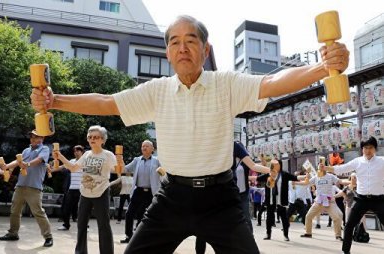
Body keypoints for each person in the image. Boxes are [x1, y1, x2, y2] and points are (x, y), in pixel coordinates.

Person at [31, 15, 349, 254]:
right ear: (167, 52)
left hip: (220, 199)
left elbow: (273, 83)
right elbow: (106, 103)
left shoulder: (226, 84)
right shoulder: (157, 91)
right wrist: (55, 100)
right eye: (174, 42)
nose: (183, 47)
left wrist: (322, 68)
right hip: (172, 198)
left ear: (204, 48)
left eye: (191, 40)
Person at [195, 141, 270, 254]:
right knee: (205, 224)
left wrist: (273, 171)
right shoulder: (208, 144)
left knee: (237, 222)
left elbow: (253, 165)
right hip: (211, 190)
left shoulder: (234, 146)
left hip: (233, 193)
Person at [54, 125, 117, 254]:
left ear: (103, 140)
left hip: (101, 192)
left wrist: (120, 162)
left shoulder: (108, 155)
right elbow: (73, 168)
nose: (92, 139)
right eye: (90, 137)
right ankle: (80, 252)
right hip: (85, 193)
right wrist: (60, 156)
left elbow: (117, 170)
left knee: (103, 225)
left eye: (96, 137)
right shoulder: (87, 154)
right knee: (81, 224)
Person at [322, 136, 384, 254]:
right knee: (349, 225)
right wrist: (326, 168)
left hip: (379, 199)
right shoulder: (357, 161)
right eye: (365, 148)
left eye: (370, 147)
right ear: (362, 149)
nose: (368, 150)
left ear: (375, 149)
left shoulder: (382, 161)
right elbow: (341, 169)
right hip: (361, 199)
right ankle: (345, 251)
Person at [0, 130, 53, 248]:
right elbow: (18, 162)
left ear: (42, 138)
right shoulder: (26, 150)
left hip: (34, 187)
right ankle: (13, 233)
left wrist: (27, 164)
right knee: (15, 211)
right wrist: (7, 166)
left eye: (36, 137)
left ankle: (48, 237)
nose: (33, 139)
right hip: (20, 185)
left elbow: (39, 160)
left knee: (38, 212)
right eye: (31, 137)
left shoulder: (44, 149)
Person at [120, 140, 161, 244]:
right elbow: (125, 169)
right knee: (129, 213)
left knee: (147, 215)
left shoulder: (157, 161)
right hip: (138, 191)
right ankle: (129, 236)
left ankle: (142, 238)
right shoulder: (137, 160)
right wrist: (120, 160)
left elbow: (163, 173)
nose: (144, 148)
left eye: (146, 146)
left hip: (151, 192)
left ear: (152, 149)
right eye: (142, 146)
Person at [252, 159, 303, 241]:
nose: (275, 166)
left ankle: (286, 235)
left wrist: (305, 176)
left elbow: (295, 177)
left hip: (281, 200)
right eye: (273, 164)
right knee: (269, 217)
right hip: (271, 200)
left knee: (284, 218)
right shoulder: (268, 174)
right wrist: (247, 177)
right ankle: (268, 234)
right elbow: (257, 178)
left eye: (277, 164)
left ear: (280, 165)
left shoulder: (284, 174)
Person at [299, 160, 343, 241]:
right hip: (318, 202)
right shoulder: (316, 177)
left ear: (325, 167)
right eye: (319, 166)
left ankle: (338, 236)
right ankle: (308, 233)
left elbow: (340, 181)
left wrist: (350, 182)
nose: (320, 167)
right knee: (308, 216)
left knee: (336, 218)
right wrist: (297, 182)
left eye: (322, 166)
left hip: (329, 201)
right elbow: (306, 183)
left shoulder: (330, 176)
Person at [54, 145, 84, 230]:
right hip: (71, 189)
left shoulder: (85, 161)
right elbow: (62, 167)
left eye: (78, 151)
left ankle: (85, 226)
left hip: (82, 189)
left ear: (82, 152)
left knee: (82, 209)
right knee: (66, 208)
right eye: (75, 151)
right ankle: (66, 225)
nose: (76, 152)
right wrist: (51, 169)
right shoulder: (71, 161)